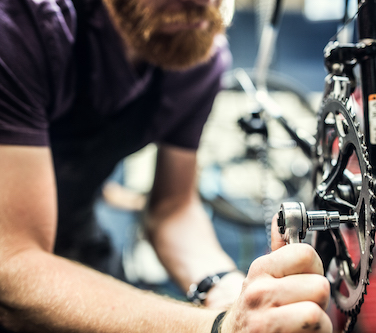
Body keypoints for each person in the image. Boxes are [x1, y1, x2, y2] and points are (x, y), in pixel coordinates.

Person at [0, 0, 332, 332]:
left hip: (77, 239)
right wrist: (217, 327)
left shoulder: (195, 50)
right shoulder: (21, 25)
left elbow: (173, 207)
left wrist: (225, 290)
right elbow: (12, 264)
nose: (205, 4)